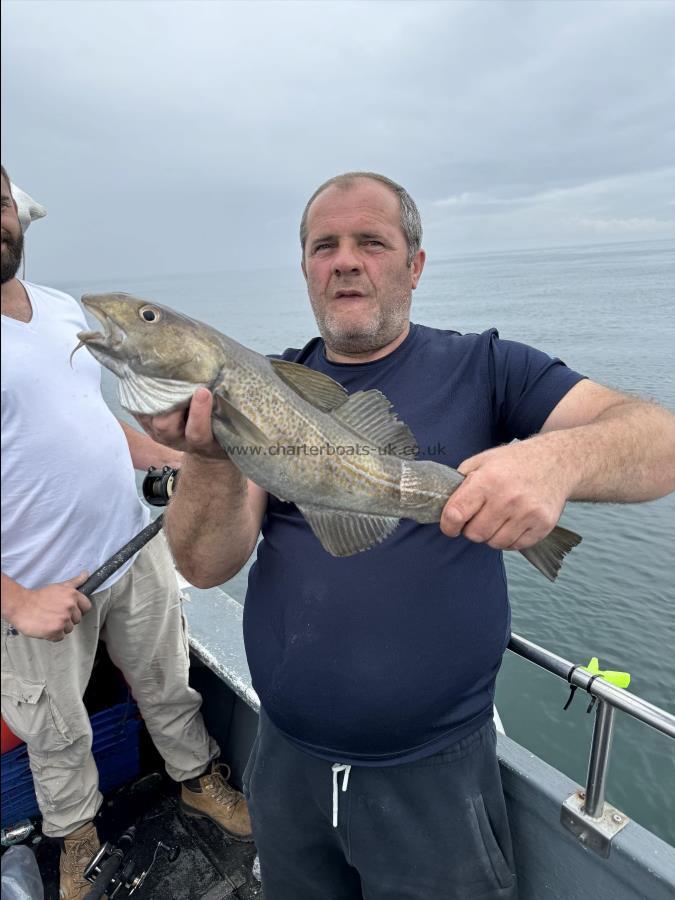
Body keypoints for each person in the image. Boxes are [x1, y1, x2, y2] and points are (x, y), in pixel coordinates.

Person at [137, 172, 675, 900]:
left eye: (371, 242)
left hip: (436, 778)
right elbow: (203, 566)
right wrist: (206, 457)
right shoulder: (273, 386)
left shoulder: (487, 367)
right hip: (286, 763)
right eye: (323, 245)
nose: (345, 260)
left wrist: (554, 460)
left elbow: (658, 443)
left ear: (414, 265)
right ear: (305, 270)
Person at [0, 166, 252, 900]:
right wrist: (15, 602)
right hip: (38, 585)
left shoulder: (57, 311)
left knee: (169, 684)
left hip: (130, 550)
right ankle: (74, 835)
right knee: (56, 734)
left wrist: (177, 457)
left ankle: (199, 779)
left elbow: (88, 424)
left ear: (18, 212)